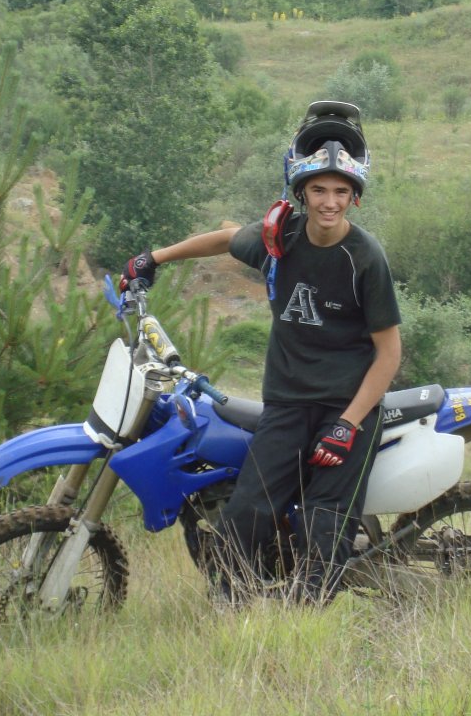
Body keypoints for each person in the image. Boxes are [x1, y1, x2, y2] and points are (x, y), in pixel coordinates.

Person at [120, 101, 401, 605]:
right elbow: (225, 239)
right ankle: (236, 611)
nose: (329, 202)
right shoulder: (280, 239)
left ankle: (307, 619)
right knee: (246, 514)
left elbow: (388, 354)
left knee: (325, 521)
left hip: (348, 407)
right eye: (319, 190)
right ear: (301, 190)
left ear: (355, 196)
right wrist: (154, 258)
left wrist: (347, 424)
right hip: (288, 404)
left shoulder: (365, 258)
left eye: (341, 191)